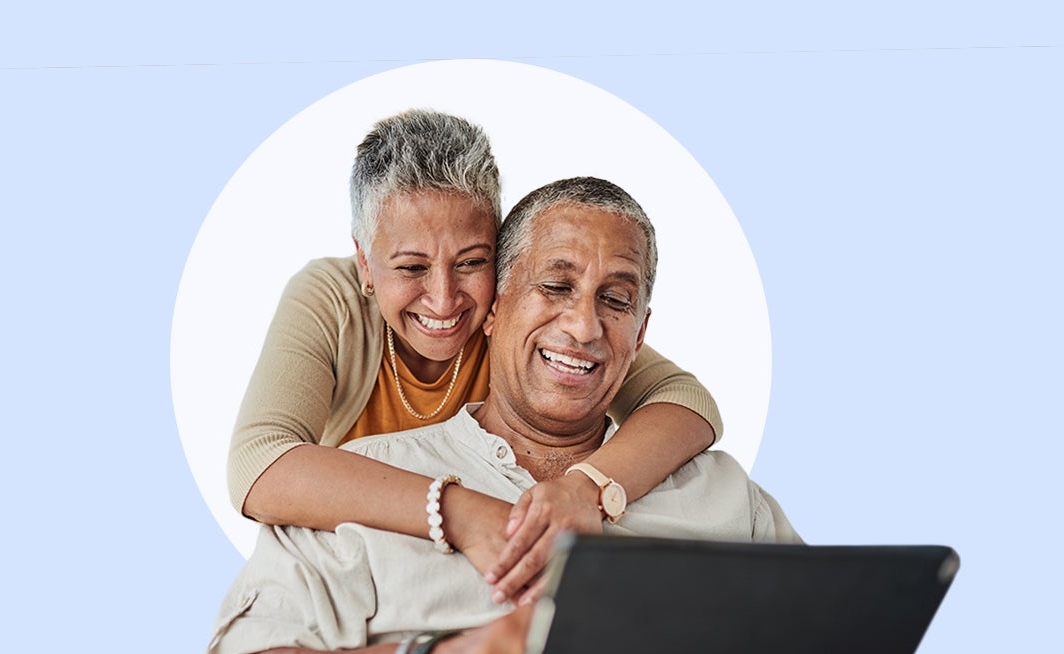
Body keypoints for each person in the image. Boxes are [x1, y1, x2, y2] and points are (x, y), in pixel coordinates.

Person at [182, 178, 949, 654]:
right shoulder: (364, 485)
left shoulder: (721, 495)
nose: (585, 328)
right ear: (494, 309)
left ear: (640, 333)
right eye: (555, 287)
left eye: (615, 300)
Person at [229, 109, 724, 601]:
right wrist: (457, 512)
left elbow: (684, 400)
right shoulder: (331, 300)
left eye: (471, 262)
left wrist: (588, 487)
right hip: (373, 561)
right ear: (364, 262)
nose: (444, 300)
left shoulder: (521, 316)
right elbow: (260, 463)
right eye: (411, 267)